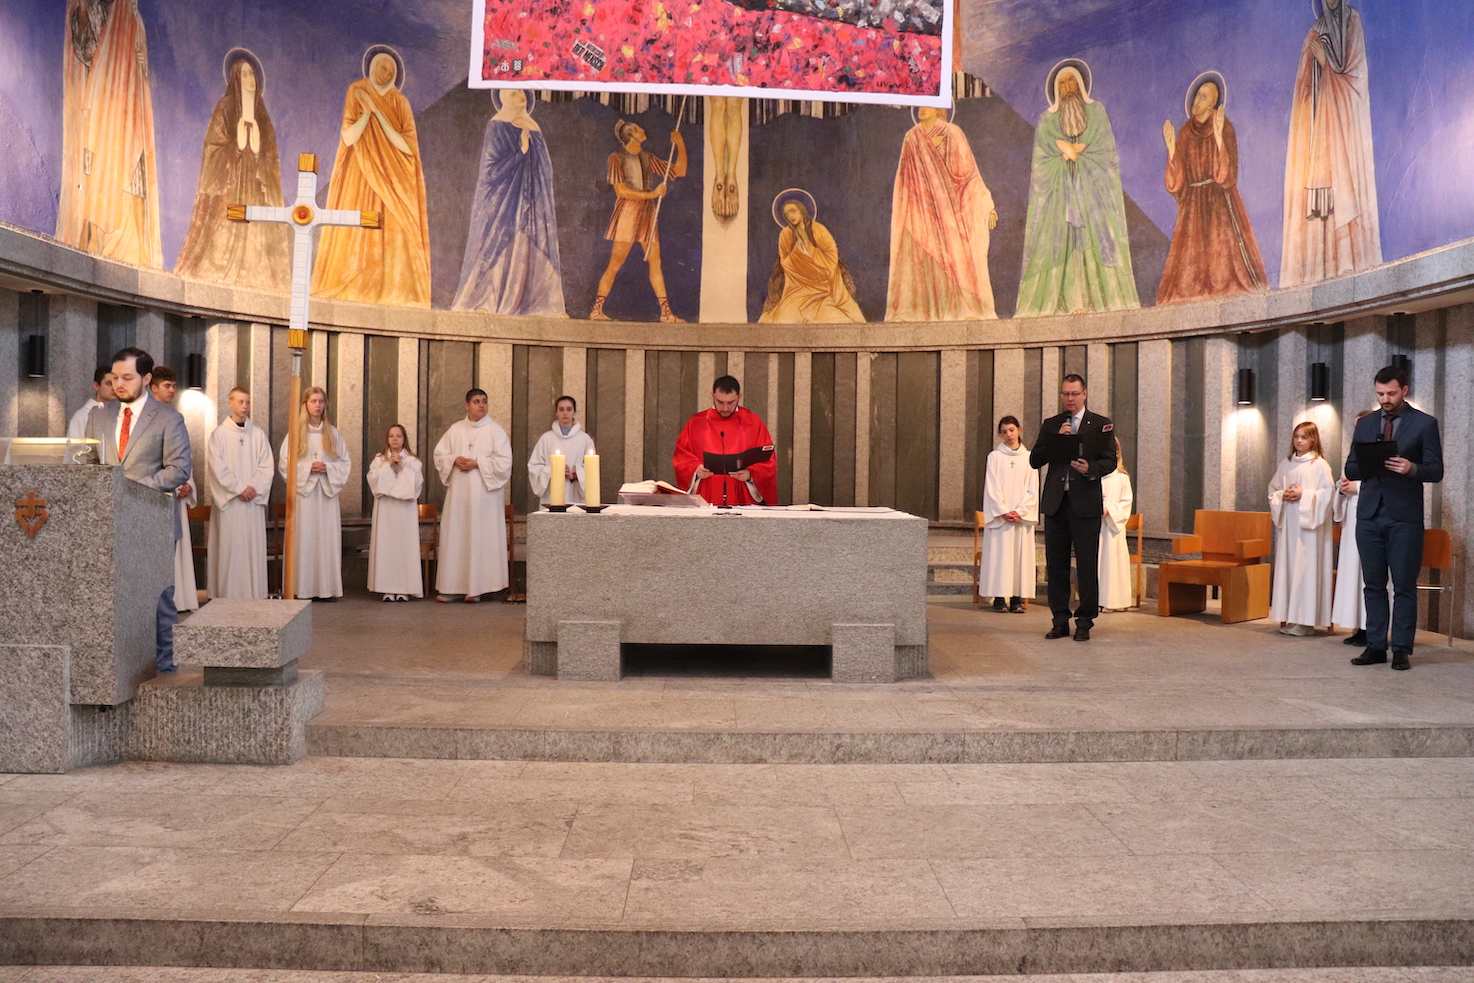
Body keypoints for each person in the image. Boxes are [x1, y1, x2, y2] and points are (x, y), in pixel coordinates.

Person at [82, 347, 190, 672]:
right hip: (109, 525)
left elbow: (179, 469)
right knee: (112, 601)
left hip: (152, 522)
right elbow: (87, 462)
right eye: (115, 377)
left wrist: (133, 487)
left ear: (146, 378)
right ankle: (118, 672)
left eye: (127, 377)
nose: (119, 384)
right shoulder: (98, 416)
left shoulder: (168, 418)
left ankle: (166, 672)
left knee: (157, 601)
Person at [1016, 60, 1138, 317]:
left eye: (1072, 81)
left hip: (1093, 200)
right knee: (1064, 244)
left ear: (1081, 84)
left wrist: (1080, 158)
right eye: (1062, 84)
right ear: (1056, 90)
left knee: (1094, 241)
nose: (1068, 88)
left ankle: (1097, 298)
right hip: (1059, 202)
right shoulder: (1047, 121)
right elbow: (1041, 166)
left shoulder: (1097, 112)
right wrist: (1065, 158)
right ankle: (1072, 299)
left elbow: (1106, 156)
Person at [311, 48, 432, 307]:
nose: (385, 73)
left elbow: (408, 147)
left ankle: (394, 289)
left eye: (390, 70)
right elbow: (348, 137)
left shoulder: (400, 102)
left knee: (395, 229)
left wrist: (378, 113)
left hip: (394, 178)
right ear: (371, 67)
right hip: (360, 172)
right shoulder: (357, 91)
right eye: (381, 66)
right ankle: (353, 281)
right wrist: (366, 113)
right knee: (356, 227)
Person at [1344, 365, 1444, 670]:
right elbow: (1350, 468)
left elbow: (1436, 470)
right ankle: (1375, 646)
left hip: (1404, 517)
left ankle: (1401, 649)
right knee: (1373, 584)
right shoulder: (1366, 424)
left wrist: (1411, 468)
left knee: (1404, 586)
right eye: (1380, 394)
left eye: (1390, 393)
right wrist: (1371, 462)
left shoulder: (1424, 423)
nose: (1385, 399)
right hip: (1369, 514)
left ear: (1404, 390)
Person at [1280, 0, 1381, 288]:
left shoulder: (1352, 22)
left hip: (1343, 128)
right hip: (1320, 132)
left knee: (1343, 183)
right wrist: (1317, 69)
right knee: (1321, 191)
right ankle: (1319, 267)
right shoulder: (1313, 32)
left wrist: (1328, 65)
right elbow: (1303, 95)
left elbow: (1356, 79)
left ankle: (1348, 259)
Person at [58, 0, 162, 268]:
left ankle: (137, 249)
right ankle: (97, 241)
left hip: (129, 103)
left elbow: (139, 51)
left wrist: (141, 60)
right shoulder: (94, 6)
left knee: (133, 170)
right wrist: (83, 11)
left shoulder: (129, 9)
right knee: (100, 166)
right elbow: (86, 51)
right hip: (102, 104)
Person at [174, 51, 291, 290]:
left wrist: (257, 152)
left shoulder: (262, 115)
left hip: (255, 187)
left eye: (252, 75)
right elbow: (213, 148)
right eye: (245, 75)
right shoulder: (226, 107)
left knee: (256, 235)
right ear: (236, 78)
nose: (250, 80)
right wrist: (236, 147)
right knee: (222, 236)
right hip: (230, 186)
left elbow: (271, 160)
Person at [1156, 73, 1267, 305]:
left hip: (1219, 202)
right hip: (1193, 206)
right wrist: (1172, 150)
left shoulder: (1224, 126)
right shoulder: (1185, 132)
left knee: (1223, 263)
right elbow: (1176, 184)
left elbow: (1226, 176)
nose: (1197, 100)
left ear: (1213, 105)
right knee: (1187, 271)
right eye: (1198, 95)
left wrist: (1218, 137)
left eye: (1204, 97)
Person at [452, 89, 565, 316]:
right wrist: (520, 152)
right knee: (496, 245)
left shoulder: (533, 128)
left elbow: (545, 168)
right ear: (503, 98)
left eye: (521, 92)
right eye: (512, 94)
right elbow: (490, 171)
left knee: (529, 245)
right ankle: (486, 300)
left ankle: (537, 303)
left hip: (530, 199)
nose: (520, 97)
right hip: (502, 203)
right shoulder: (497, 126)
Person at [887, 106, 998, 321]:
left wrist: (986, 205)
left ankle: (961, 308)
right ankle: (922, 310)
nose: (922, 108)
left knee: (954, 258)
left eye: (928, 103)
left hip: (948, 211)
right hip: (919, 210)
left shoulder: (952, 133)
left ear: (939, 107)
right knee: (920, 257)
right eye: (920, 104)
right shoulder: (911, 138)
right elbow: (904, 180)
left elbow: (968, 177)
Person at [1028, 374, 1117, 641]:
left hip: (1085, 504)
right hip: (1057, 503)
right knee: (1056, 566)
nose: (1070, 399)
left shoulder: (1100, 424)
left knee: (1086, 565)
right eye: (1065, 394)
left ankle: (1085, 621)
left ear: (1084, 394)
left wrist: (1091, 468)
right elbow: (1035, 460)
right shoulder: (1052, 424)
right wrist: (1055, 441)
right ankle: (1059, 620)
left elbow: (1110, 461)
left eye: (1075, 394)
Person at [590, 119, 687, 323]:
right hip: (628, 211)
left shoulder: (647, 157)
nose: (643, 129)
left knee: (655, 261)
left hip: (647, 212)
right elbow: (621, 191)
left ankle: (666, 313)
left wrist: (680, 144)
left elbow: (679, 171)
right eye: (637, 129)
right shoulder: (616, 158)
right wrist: (651, 195)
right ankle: (596, 310)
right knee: (616, 262)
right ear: (630, 135)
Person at [433, 388, 513, 602]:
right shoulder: (455, 429)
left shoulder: (495, 431)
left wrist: (477, 463)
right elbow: (439, 455)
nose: (482, 405)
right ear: (467, 406)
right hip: (459, 498)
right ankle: (451, 588)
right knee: (457, 537)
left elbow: (505, 463)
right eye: (477, 401)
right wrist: (454, 460)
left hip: (484, 499)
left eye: (484, 401)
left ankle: (477, 589)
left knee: (480, 538)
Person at [278, 386, 351, 601]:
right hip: (305, 496)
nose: (317, 405)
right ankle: (302, 588)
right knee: (304, 539)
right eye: (313, 401)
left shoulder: (333, 434)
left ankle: (326, 589)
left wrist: (327, 468)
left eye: (320, 401)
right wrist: (308, 468)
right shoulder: (295, 433)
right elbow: (285, 465)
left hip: (326, 495)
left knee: (326, 540)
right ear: (305, 405)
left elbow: (345, 464)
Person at [206, 387, 275, 600]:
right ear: (230, 403)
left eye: (247, 402)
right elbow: (217, 468)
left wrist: (253, 487)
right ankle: (228, 596)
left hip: (252, 503)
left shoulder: (258, 434)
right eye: (240, 402)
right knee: (231, 550)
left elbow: (267, 466)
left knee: (251, 549)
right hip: (231, 503)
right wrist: (239, 489)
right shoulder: (219, 435)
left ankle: (254, 596)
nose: (244, 406)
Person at [1269, 421, 1335, 637]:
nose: (1299, 440)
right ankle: (1292, 617)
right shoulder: (1286, 463)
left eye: (1304, 437)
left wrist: (1304, 494)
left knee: (1306, 570)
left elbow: (1328, 494)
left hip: (1310, 531)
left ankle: (1307, 622)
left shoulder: (1319, 465)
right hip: (1290, 526)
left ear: (1313, 440)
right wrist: (1283, 495)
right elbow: (1273, 489)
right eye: (1296, 436)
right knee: (1290, 569)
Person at [758, 191, 865, 324]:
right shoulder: (785, 234)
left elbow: (831, 258)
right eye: (787, 214)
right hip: (797, 291)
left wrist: (808, 247)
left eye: (793, 211)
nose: (791, 216)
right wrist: (798, 248)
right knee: (786, 318)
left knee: (835, 318)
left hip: (823, 291)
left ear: (801, 210)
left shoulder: (818, 230)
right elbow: (785, 263)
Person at [673, 375, 778, 507]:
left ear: (739, 397)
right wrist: (695, 469)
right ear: (713, 396)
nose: (725, 408)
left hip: (742, 493)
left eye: (730, 403)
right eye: (720, 402)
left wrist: (751, 474)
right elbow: (681, 457)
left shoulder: (753, 423)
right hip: (707, 491)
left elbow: (768, 461)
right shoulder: (696, 423)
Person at [148, 366, 199, 613]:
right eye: (166, 386)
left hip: (175, 498)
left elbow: (182, 458)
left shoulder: (175, 418)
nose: (172, 390)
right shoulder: (147, 420)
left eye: (173, 386)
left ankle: (181, 600)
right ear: (153, 388)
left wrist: (187, 484)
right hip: (154, 498)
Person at [977, 416, 1037, 614]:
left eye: (1011, 430)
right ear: (1000, 434)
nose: (1009, 435)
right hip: (1001, 518)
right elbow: (991, 487)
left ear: (1019, 429)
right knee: (1000, 557)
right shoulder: (995, 457)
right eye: (1004, 432)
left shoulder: (1029, 458)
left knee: (1019, 558)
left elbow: (1032, 489)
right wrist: (1003, 511)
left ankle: (1017, 598)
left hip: (1020, 517)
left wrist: (1020, 511)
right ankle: (999, 598)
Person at [1331, 409, 1377, 646]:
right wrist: (1341, 489)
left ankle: (1372, 628)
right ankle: (1358, 626)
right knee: (1352, 574)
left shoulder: (1380, 454)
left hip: (1372, 518)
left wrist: (1356, 488)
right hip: (1351, 521)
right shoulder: (1354, 454)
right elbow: (1345, 481)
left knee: (1369, 575)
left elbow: (1382, 485)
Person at [367, 423, 424, 601]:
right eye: (391, 436)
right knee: (387, 547)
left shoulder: (413, 461)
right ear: (387, 439)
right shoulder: (379, 460)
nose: (395, 439)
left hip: (404, 511)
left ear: (404, 439)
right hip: (386, 509)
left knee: (403, 547)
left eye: (398, 436)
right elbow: (373, 481)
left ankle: (404, 589)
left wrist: (402, 466)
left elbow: (416, 485)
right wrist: (388, 465)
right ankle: (387, 588)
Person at [528, 396, 597, 507]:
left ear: (574, 412)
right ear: (556, 413)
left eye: (569, 409)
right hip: (551, 495)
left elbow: (591, 469)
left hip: (575, 495)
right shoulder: (546, 439)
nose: (565, 413)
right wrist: (552, 470)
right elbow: (534, 467)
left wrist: (574, 475)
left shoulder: (585, 440)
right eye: (561, 409)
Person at [1097, 438, 1135, 611]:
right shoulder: (1093, 477)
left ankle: (1114, 601)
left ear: (1117, 453)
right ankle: (1097, 600)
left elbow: (1126, 503)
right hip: (1095, 526)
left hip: (1112, 528)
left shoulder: (1122, 479)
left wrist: (1109, 510)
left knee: (1113, 563)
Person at [67, 367, 116, 439]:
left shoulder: (121, 413)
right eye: (109, 384)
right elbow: (74, 444)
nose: (114, 388)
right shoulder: (82, 415)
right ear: (96, 386)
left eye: (116, 383)